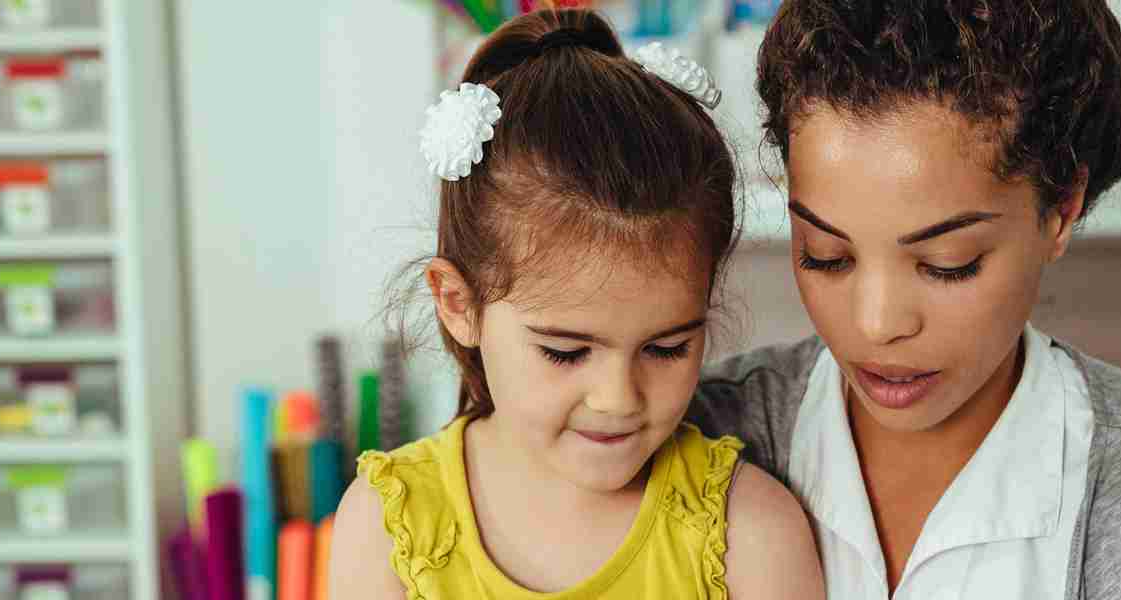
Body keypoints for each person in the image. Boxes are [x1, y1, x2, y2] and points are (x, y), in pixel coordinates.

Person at [689, 1, 1121, 597]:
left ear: (1060, 210)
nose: (876, 324)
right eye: (826, 254)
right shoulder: (692, 432)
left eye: (946, 263)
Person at [327, 9, 823, 599]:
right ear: (458, 304)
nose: (618, 399)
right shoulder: (386, 530)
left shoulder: (752, 534)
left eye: (667, 348)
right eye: (565, 352)